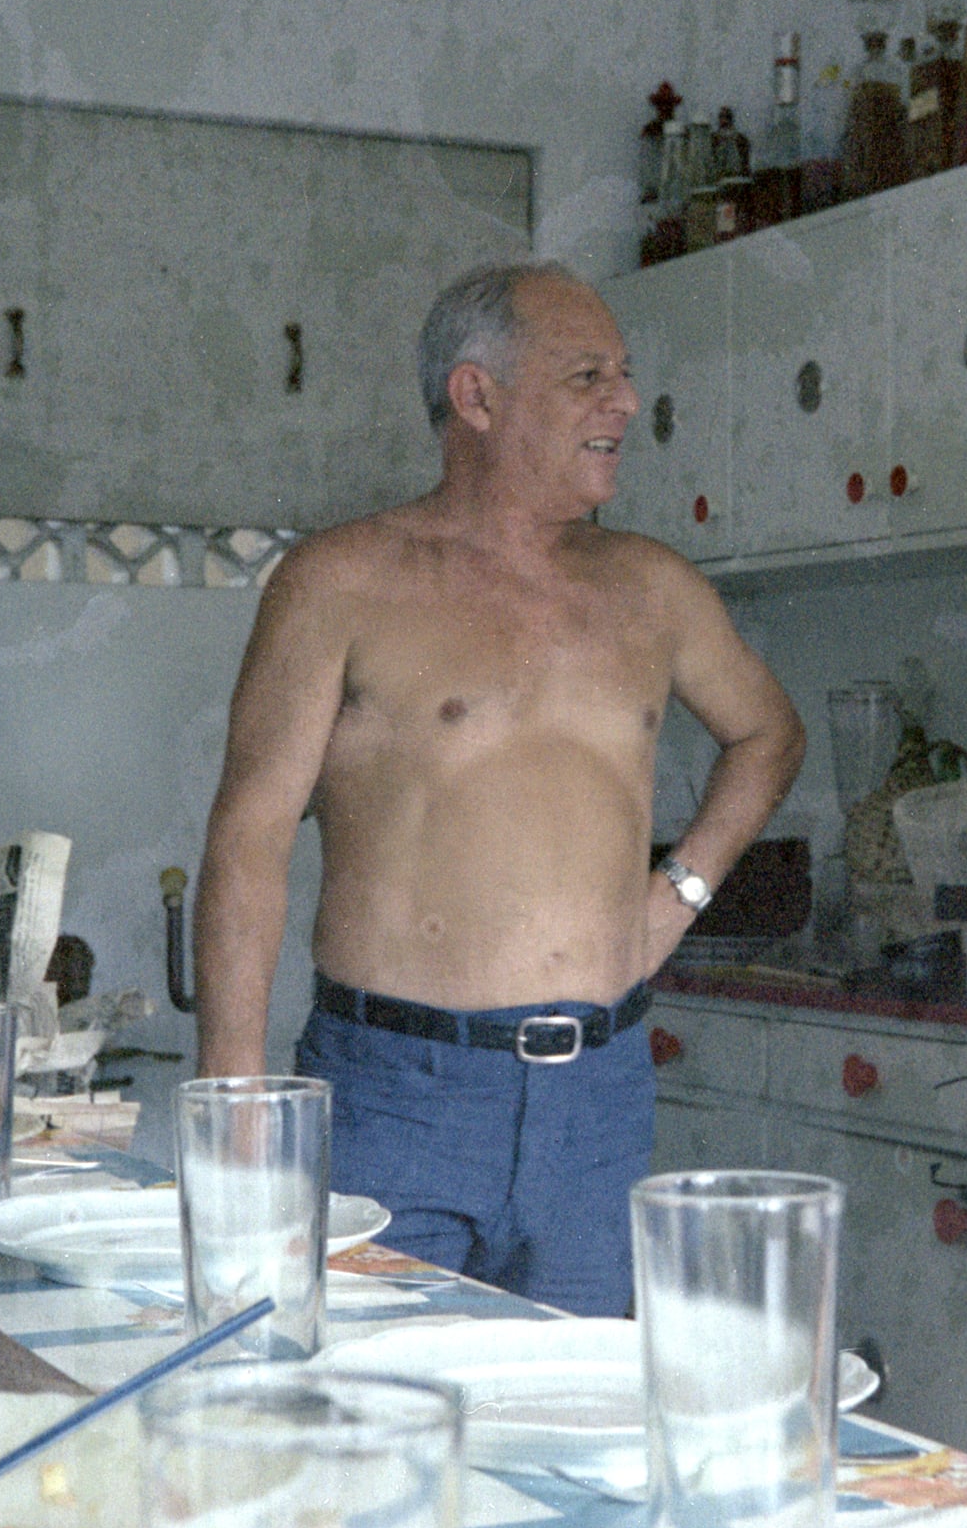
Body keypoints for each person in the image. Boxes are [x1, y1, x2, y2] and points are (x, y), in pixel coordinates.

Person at [192, 260, 804, 1318]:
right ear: (476, 397)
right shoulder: (340, 580)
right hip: (397, 1091)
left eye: (624, 375)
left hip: (598, 1098)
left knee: (575, 1401)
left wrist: (679, 897)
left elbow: (768, 735)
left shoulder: (652, 587)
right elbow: (249, 837)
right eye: (587, 377)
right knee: (372, 1399)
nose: (626, 402)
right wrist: (236, 1103)